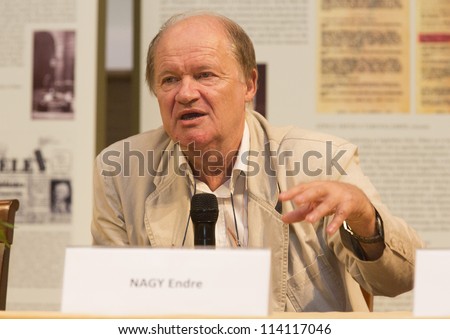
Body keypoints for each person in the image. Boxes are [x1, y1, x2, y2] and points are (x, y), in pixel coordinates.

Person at [91, 11, 424, 312]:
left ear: (249, 84)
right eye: (170, 79)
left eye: (205, 75)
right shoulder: (119, 172)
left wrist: (365, 218)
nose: (186, 93)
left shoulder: (321, 160)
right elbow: (113, 303)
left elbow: (402, 278)